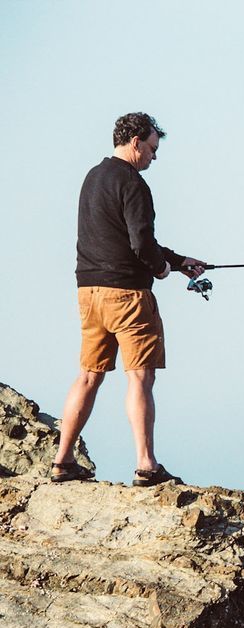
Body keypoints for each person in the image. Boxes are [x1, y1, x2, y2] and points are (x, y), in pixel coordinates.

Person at [50, 112, 207, 486]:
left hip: (88, 292)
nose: (154, 157)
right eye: (152, 148)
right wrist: (162, 269)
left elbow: (121, 238)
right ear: (135, 141)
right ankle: (146, 464)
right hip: (128, 296)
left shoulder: (92, 178)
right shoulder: (134, 183)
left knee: (88, 376)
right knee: (140, 377)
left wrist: (178, 260)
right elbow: (140, 244)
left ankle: (62, 461)